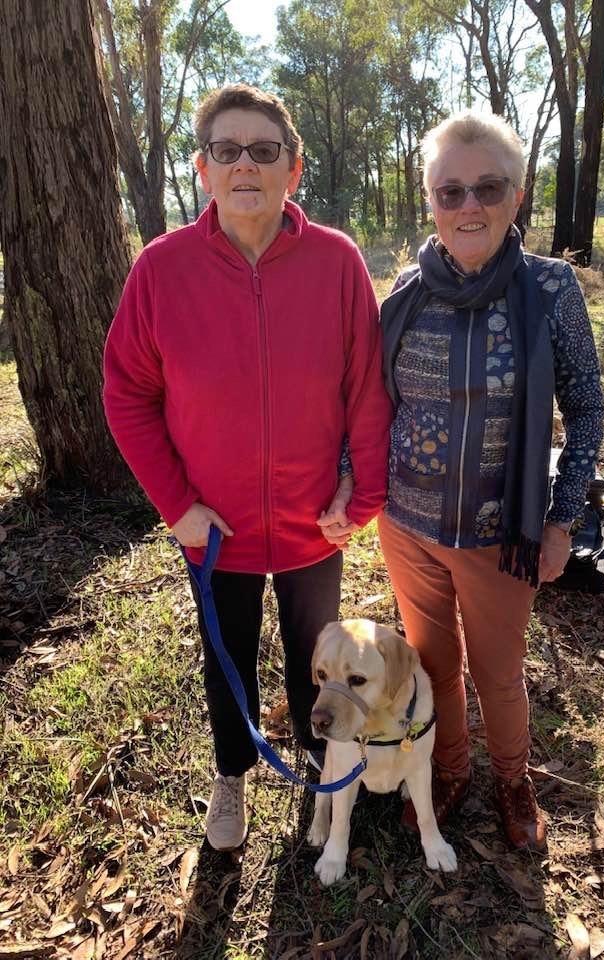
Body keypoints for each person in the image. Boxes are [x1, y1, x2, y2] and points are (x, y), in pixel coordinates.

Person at [103, 84, 392, 852]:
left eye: (264, 152)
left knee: (318, 662)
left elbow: (365, 386)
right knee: (224, 654)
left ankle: (313, 764)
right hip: (214, 526)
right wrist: (176, 506)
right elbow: (126, 393)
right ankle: (230, 777)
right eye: (226, 151)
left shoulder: (336, 261)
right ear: (202, 170)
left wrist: (359, 494)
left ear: (292, 171)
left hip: (311, 521)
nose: (245, 166)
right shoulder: (161, 269)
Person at [376, 111, 604, 849]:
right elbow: (369, 403)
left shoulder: (549, 289)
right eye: (450, 191)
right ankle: (449, 771)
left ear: (516, 194)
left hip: (498, 535)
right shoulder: (404, 292)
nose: (467, 205)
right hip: (407, 525)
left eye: (487, 187)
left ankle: (510, 779)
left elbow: (586, 407)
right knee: (435, 666)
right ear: (430, 200)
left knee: (498, 677)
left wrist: (562, 518)